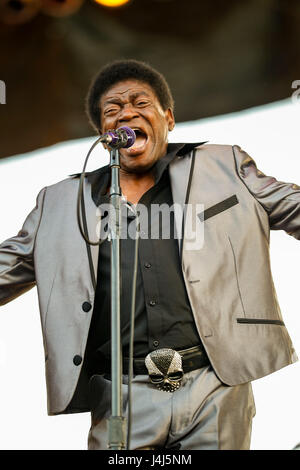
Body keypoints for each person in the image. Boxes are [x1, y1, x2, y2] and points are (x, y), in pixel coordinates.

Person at [0, 59, 299, 450]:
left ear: (168, 118)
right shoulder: (58, 203)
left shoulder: (223, 165)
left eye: (140, 102)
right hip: (122, 394)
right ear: (105, 133)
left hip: (215, 383)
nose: (126, 112)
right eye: (113, 109)